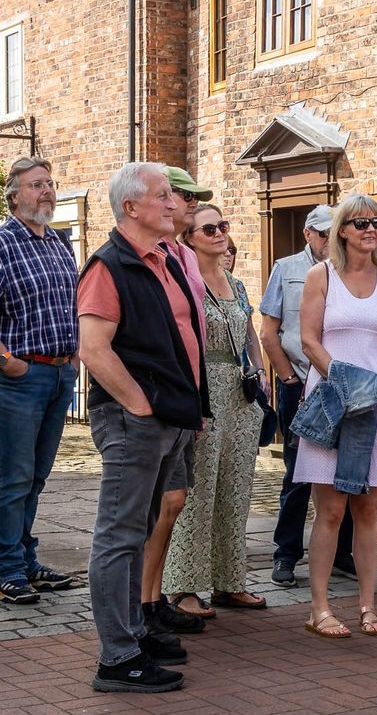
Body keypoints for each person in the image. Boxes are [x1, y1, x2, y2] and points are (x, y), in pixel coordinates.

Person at [78, 161, 209, 693]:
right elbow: (93, 348)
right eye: (161, 195)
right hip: (136, 421)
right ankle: (117, 658)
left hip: (169, 420)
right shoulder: (109, 267)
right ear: (131, 207)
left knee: (138, 531)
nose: (172, 203)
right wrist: (137, 404)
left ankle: (133, 634)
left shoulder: (165, 260)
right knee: (119, 535)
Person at [0, 157, 80, 605]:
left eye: (50, 183)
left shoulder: (58, 243)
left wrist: (74, 355)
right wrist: (7, 360)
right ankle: (6, 569)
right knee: (10, 478)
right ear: (14, 196)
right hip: (14, 378)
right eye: (36, 185)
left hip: (57, 373)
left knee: (34, 478)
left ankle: (26, 559)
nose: (47, 191)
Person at [297, 194, 377, 639]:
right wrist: (346, 383)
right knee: (331, 510)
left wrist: (376, 386)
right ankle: (319, 607)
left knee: (369, 508)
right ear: (341, 229)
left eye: (375, 222)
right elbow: (308, 340)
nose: (369, 229)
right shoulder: (320, 276)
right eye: (360, 223)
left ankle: (366, 604)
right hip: (330, 400)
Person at [162, 204, 267, 616]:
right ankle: (183, 585)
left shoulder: (237, 286)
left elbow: (250, 333)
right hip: (204, 390)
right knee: (198, 490)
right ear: (188, 238)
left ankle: (229, 580)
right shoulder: (184, 284)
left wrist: (258, 371)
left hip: (240, 394)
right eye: (209, 228)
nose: (220, 233)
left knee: (236, 490)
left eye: (223, 225)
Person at [260, 205, 356, 589]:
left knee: (348, 471)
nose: (327, 240)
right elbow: (269, 331)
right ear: (307, 234)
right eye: (321, 233)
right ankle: (286, 554)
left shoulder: (354, 271)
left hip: (343, 385)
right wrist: (287, 378)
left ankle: (341, 553)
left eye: (333, 232)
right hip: (300, 381)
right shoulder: (287, 269)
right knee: (300, 472)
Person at [136, 166, 212, 634]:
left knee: (175, 500)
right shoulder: (156, 255)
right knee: (156, 505)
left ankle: (153, 595)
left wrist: (199, 401)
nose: (188, 204)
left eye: (190, 197)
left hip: (187, 396)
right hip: (159, 400)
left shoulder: (182, 254)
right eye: (182, 195)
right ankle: (142, 603)